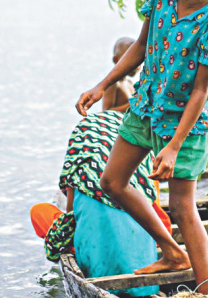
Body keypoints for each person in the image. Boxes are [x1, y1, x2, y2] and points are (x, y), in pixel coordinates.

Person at [76, 0, 208, 295]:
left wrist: (173, 147)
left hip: (184, 124)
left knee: (183, 208)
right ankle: (171, 252)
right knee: (112, 182)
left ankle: (206, 292)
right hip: (145, 109)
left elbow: (200, 92)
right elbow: (140, 46)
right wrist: (102, 85)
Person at [31, 110, 172, 297]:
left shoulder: (82, 161)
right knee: (156, 215)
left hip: (96, 263)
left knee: (39, 211)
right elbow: (160, 219)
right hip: (146, 283)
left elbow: (72, 215)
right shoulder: (138, 163)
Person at [102, 37, 138, 113]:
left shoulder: (130, 84)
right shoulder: (113, 83)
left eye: (139, 60)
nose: (137, 65)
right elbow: (105, 112)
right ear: (116, 60)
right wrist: (133, 104)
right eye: (131, 59)